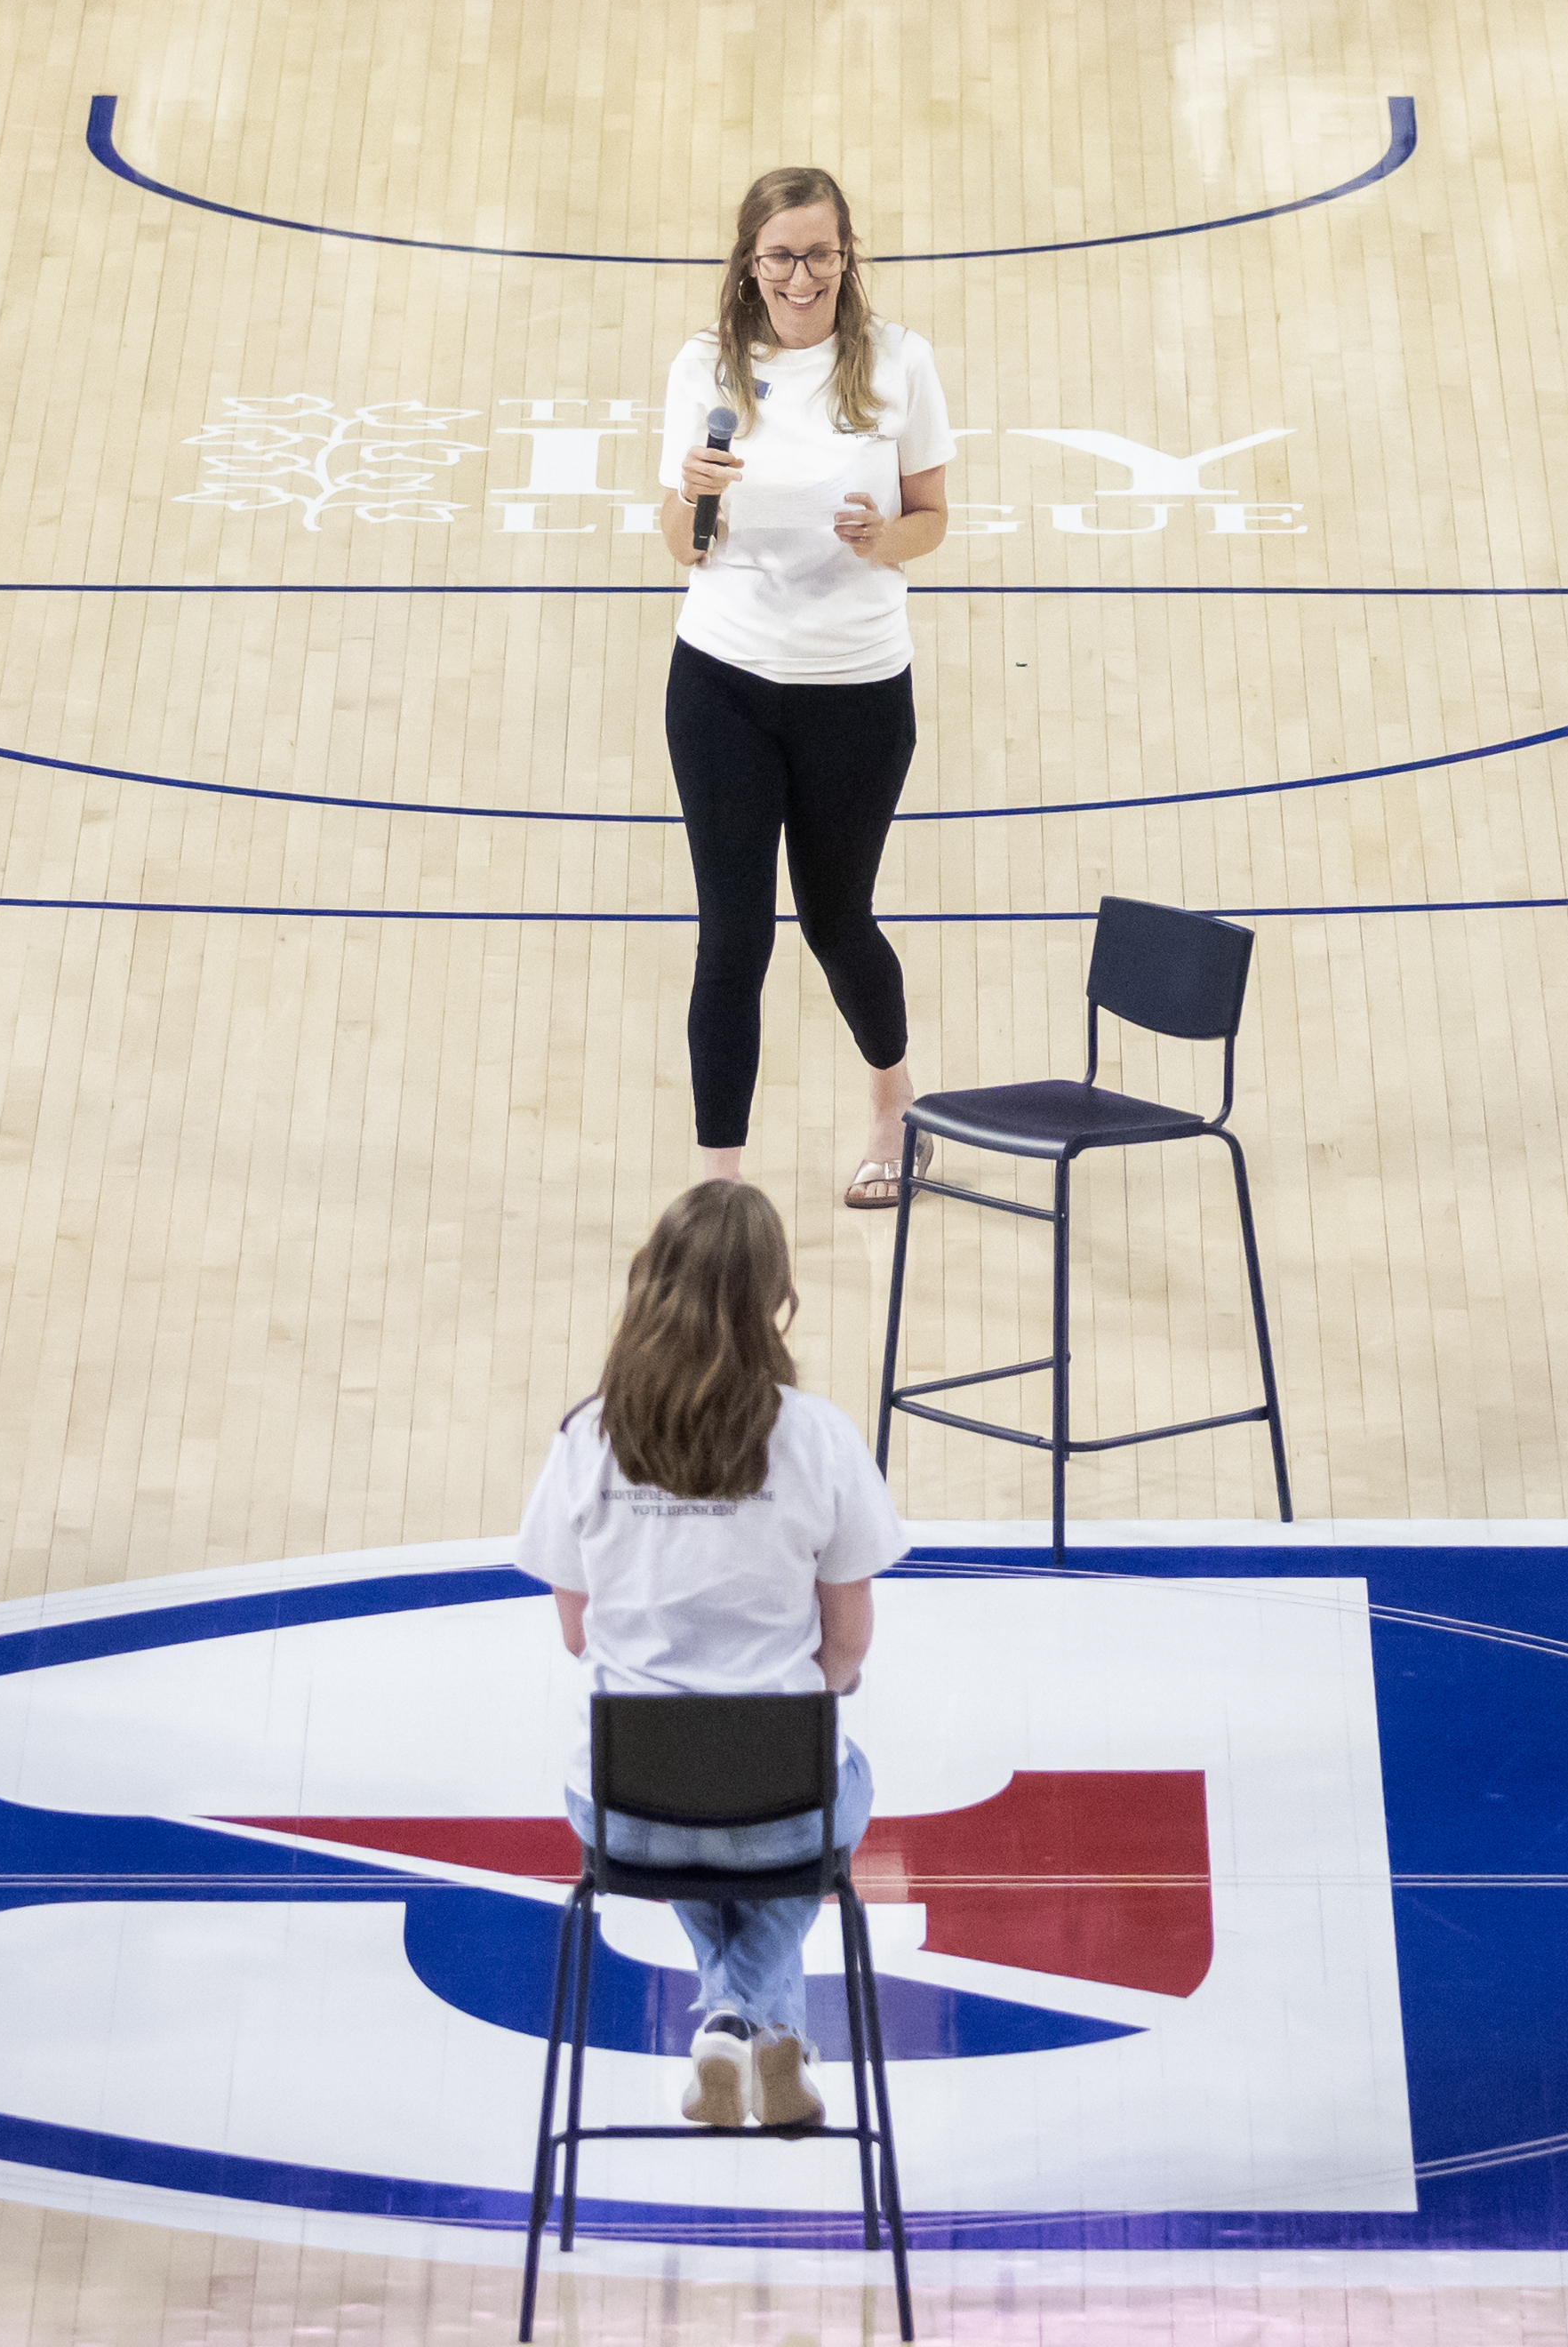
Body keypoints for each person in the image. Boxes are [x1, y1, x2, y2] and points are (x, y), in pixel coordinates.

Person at [516, 1181, 908, 2139]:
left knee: (696, 1808)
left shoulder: (589, 1437)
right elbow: (847, 1650)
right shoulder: (814, 1438)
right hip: (779, 1811)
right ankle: (754, 2019)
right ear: (774, 1297)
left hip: (625, 1812)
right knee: (820, 1797)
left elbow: (576, 1635)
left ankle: (735, 2019)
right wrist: (784, 1691)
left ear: (649, 1284)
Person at [655, 164, 950, 1198]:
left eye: (820, 254)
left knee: (835, 921)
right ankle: (718, 1187)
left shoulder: (898, 364)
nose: (800, 276)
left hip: (857, 690)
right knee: (730, 934)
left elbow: (931, 517)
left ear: (845, 257)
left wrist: (883, 541)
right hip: (723, 682)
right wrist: (691, 497)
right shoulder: (704, 369)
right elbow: (678, 548)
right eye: (779, 256)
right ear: (749, 262)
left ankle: (895, 1106)